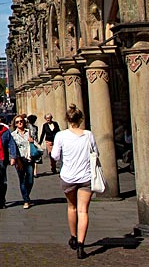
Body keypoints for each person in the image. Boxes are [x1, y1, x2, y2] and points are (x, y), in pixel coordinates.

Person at [52, 104, 98, 260]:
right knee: (83, 210)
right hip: (86, 177)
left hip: (68, 176)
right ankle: (81, 244)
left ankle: (73, 236)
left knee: (71, 207)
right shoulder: (88, 135)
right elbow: (95, 153)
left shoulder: (61, 135)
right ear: (81, 119)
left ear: (67, 119)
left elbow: (55, 156)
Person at [8, 115, 38, 209]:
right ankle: (26, 200)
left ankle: (26, 195)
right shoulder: (13, 135)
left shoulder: (29, 132)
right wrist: (16, 159)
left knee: (30, 180)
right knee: (22, 180)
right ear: (15, 124)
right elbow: (12, 148)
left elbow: (35, 142)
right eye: (17, 122)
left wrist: (32, 141)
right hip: (19, 159)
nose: (19, 123)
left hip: (29, 158)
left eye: (21, 121)